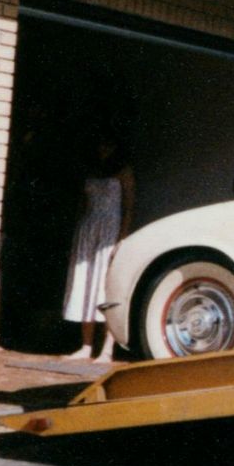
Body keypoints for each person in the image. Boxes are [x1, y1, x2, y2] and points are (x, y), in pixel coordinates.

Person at [62, 129, 134, 361]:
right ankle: (85, 345)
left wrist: (121, 237)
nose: (104, 150)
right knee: (85, 283)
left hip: (110, 229)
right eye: (101, 145)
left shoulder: (123, 171)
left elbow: (129, 207)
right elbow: (82, 204)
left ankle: (106, 349)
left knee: (105, 286)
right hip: (88, 228)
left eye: (108, 145)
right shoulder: (91, 171)